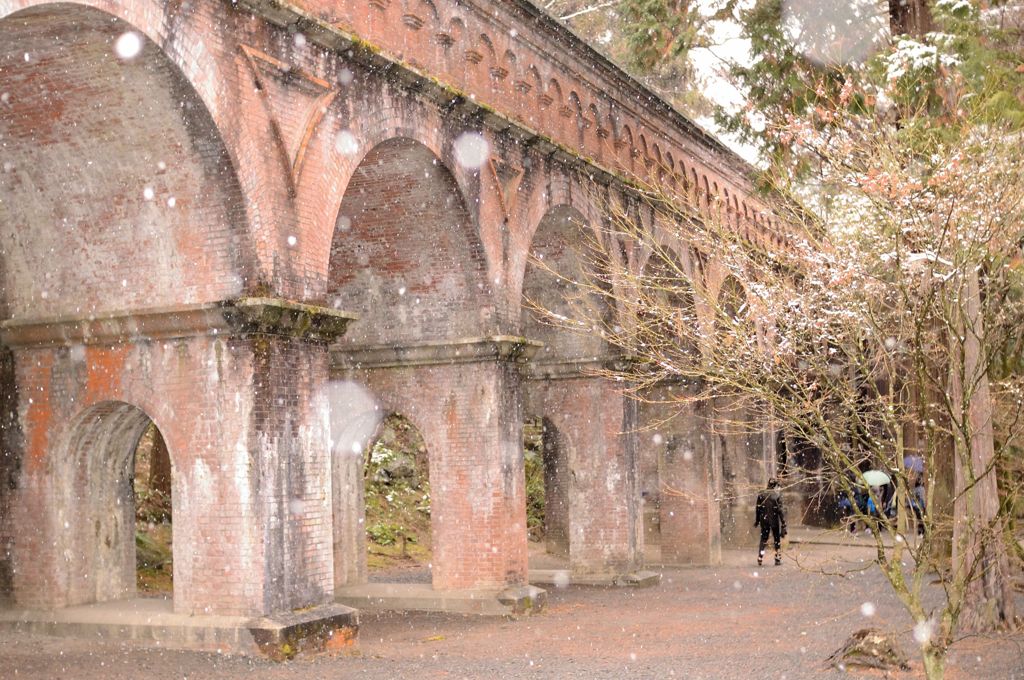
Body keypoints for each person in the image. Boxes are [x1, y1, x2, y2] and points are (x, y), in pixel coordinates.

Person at [754, 478, 787, 566]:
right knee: (777, 539)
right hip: (774, 520)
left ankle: (760, 557)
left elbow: (758, 509)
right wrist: (783, 523)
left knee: (763, 538)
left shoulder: (761, 494)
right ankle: (777, 558)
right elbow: (780, 511)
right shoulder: (776, 496)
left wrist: (757, 520)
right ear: (775, 486)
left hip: (764, 520)